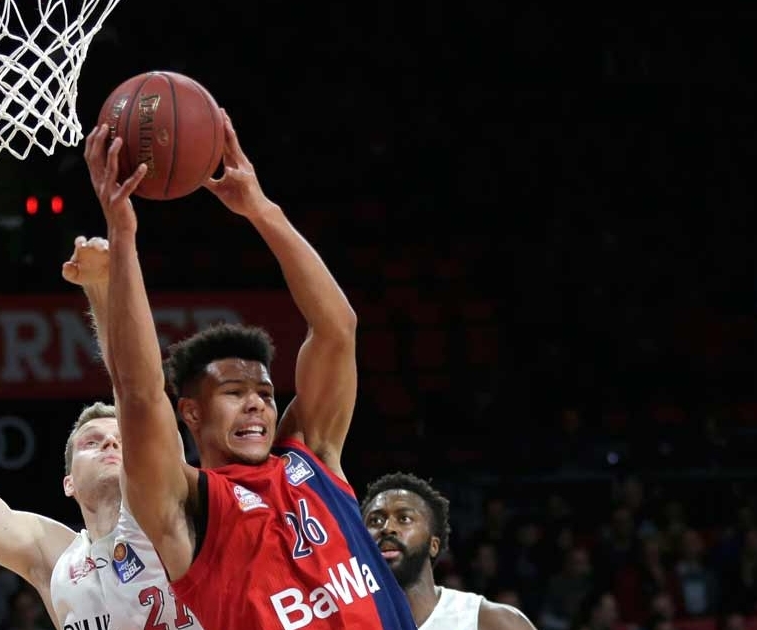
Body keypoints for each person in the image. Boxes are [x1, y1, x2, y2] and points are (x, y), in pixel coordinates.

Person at [89, 113, 416, 629]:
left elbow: (337, 329)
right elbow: (140, 392)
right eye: (234, 392)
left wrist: (262, 210)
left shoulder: (312, 455)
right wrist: (122, 233)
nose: (257, 404)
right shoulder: (186, 505)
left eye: (264, 392)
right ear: (190, 412)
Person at [0, 234, 200, 630]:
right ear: (68, 483)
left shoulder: (178, 510)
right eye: (91, 442)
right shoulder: (54, 556)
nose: (110, 442)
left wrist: (102, 290)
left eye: (120, 438)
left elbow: (137, 390)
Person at [361, 472, 537, 630]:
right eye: (375, 521)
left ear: (433, 545)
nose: (387, 528)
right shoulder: (347, 622)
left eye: (404, 518)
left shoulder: (490, 621)